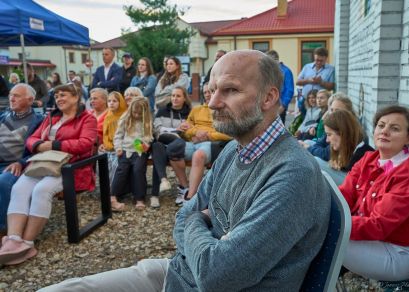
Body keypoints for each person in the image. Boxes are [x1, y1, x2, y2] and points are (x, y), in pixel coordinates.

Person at [41, 49, 331, 292]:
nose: (214, 102)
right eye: (213, 90)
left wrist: (197, 221)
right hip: (176, 272)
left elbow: (217, 276)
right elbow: (181, 218)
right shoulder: (234, 149)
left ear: (268, 98)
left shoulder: (293, 174)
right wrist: (201, 224)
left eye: (229, 90)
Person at [0, 83, 96, 265]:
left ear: (76, 97)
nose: (59, 98)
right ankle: (13, 240)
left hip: (70, 167)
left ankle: (27, 243)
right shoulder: (51, 117)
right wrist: (37, 145)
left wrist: (54, 145)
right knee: (20, 187)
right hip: (43, 163)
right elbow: (31, 139)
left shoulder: (86, 118)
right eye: (57, 95)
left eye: (64, 95)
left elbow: (86, 143)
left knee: (41, 190)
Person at [340, 105, 409, 282]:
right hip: (370, 239)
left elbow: (378, 226)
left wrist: (331, 222)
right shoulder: (368, 159)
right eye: (381, 126)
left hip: (399, 253)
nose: (385, 132)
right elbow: (345, 194)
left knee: (324, 237)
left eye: (394, 128)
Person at [173, 82, 232, 204]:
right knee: (173, 152)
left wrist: (208, 136)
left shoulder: (223, 110)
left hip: (211, 144)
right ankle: (185, 187)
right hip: (194, 141)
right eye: (204, 92)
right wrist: (195, 132)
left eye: (209, 91)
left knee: (198, 156)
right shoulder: (196, 110)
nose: (207, 94)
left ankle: (191, 198)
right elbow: (185, 129)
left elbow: (229, 133)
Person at [0, 84, 43, 236]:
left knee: (3, 182)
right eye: (11, 94)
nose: (11, 98)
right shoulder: (3, 116)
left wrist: (22, 162)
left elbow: (40, 149)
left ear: (30, 100)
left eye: (17, 95)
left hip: (17, 164)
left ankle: (3, 230)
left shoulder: (38, 121)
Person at [151, 86, 191, 208]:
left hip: (178, 147)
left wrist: (178, 131)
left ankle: (155, 193)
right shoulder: (162, 111)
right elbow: (157, 129)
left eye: (178, 96)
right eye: (173, 95)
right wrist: (175, 130)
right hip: (164, 143)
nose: (175, 98)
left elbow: (189, 131)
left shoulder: (189, 113)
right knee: (157, 146)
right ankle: (161, 185)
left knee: (159, 151)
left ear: (184, 98)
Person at [111, 97, 153, 211]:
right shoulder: (125, 118)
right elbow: (118, 135)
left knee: (138, 171)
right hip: (125, 150)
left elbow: (149, 136)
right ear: (130, 110)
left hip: (139, 151)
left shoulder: (147, 121)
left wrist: (146, 144)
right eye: (134, 112)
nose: (137, 115)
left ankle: (139, 198)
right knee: (121, 171)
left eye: (140, 113)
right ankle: (113, 196)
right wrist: (118, 147)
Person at [318, 109, 373, 185]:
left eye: (329, 134)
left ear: (343, 133)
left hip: (352, 190)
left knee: (317, 162)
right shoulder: (349, 150)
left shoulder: (365, 154)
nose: (327, 140)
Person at [301, 92, 353, 161]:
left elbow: (326, 154)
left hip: (344, 169)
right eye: (331, 110)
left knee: (316, 160)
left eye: (338, 111)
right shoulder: (334, 123)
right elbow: (319, 142)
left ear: (348, 111)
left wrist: (308, 148)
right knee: (307, 142)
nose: (333, 113)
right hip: (332, 159)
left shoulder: (346, 127)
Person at [99, 91, 128, 212]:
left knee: (116, 165)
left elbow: (123, 136)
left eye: (115, 101)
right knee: (102, 164)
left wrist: (114, 147)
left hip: (120, 148)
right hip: (108, 147)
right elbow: (106, 134)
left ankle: (113, 195)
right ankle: (106, 191)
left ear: (120, 102)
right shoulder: (108, 115)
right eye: (109, 101)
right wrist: (103, 144)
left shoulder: (124, 115)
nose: (111, 103)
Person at [266, 50, 294, 124]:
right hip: (267, 105)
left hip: (279, 106)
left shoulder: (286, 71)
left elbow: (289, 90)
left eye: (269, 61)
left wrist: (283, 106)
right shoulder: (268, 71)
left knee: (279, 131)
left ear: (276, 60)